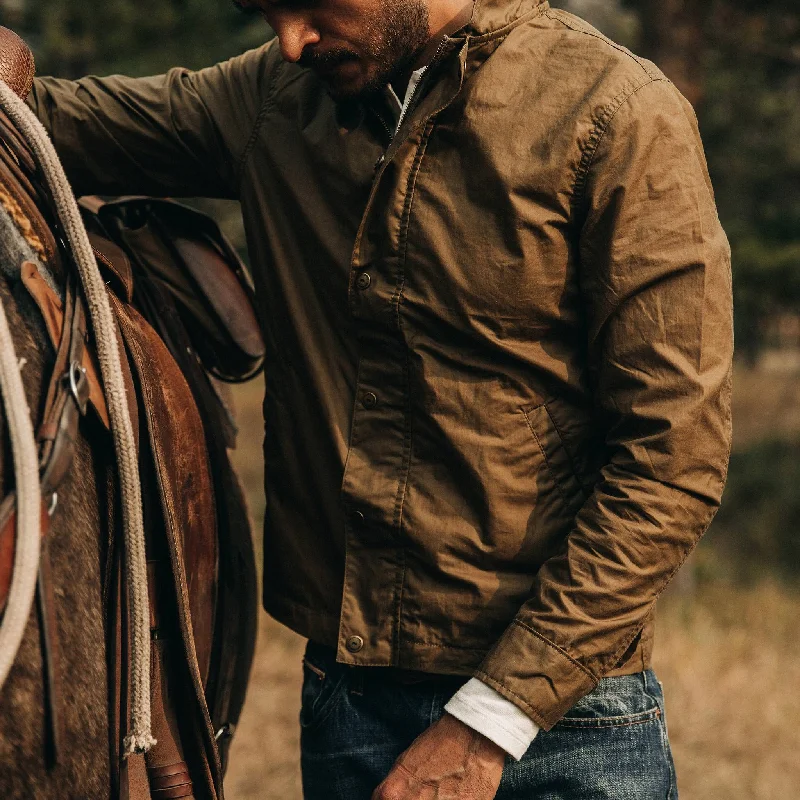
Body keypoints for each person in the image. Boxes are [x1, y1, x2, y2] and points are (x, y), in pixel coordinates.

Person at [27, 0, 733, 797]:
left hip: (566, 725)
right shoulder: (271, 99)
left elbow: (672, 463)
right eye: (267, 12)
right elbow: (45, 122)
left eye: (307, 5)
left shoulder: (614, 113)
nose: (291, 42)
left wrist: (489, 723)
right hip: (349, 704)